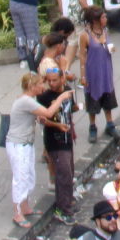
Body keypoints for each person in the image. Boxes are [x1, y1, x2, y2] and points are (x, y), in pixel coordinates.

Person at [6, 73, 72, 228]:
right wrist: (61, 98)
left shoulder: (29, 101)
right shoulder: (26, 101)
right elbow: (48, 113)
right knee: (20, 177)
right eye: (41, 83)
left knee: (28, 174)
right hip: (18, 145)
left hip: (25, 143)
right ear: (32, 86)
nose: (44, 86)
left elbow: (41, 117)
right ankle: (17, 213)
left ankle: (25, 207)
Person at [37, 64, 77, 223]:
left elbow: (71, 108)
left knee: (69, 172)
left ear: (62, 79)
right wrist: (57, 126)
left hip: (67, 138)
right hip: (54, 140)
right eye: (49, 81)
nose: (52, 84)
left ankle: (68, 200)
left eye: (55, 80)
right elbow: (42, 119)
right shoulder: (44, 97)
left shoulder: (67, 91)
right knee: (63, 173)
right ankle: (63, 208)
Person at [77, 6, 118, 143]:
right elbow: (82, 56)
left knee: (108, 96)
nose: (106, 19)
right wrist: (83, 76)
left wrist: (112, 48)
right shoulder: (85, 36)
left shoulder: (105, 31)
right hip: (92, 72)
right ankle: (92, 126)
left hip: (106, 70)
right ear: (95, 20)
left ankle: (110, 124)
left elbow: (109, 46)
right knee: (92, 100)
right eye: (103, 17)